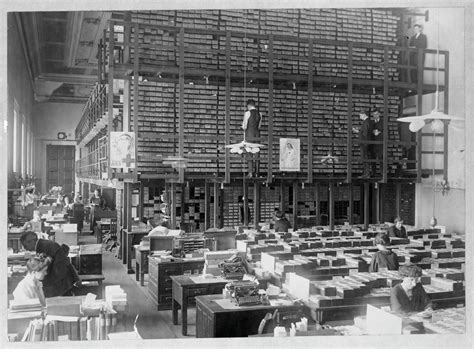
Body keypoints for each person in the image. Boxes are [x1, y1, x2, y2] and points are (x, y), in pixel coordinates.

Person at [20, 231, 81, 298]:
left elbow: (44, 269)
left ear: (31, 241)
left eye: (25, 245)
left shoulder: (43, 247)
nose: (25, 248)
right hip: (62, 278)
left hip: (61, 281)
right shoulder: (44, 244)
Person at [242, 99, 262, 177]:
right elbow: (259, 126)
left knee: (249, 153)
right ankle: (257, 172)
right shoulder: (260, 113)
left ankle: (250, 173)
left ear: (249, 105)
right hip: (257, 135)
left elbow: (244, 126)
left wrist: (242, 127)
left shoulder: (247, 113)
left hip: (249, 135)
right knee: (257, 153)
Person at [353, 110, 372, 178]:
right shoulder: (367, 122)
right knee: (364, 158)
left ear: (364, 114)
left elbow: (365, 133)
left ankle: (366, 174)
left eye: (360, 115)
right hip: (365, 142)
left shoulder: (366, 122)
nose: (359, 116)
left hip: (364, 143)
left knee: (364, 158)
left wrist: (358, 132)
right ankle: (366, 173)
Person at [371, 110, 383, 175]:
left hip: (380, 144)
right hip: (373, 144)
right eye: (374, 114)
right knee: (373, 159)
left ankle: (382, 173)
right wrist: (373, 132)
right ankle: (374, 173)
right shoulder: (372, 123)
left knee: (381, 159)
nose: (375, 116)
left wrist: (379, 133)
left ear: (379, 114)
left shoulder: (383, 122)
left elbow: (386, 132)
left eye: (376, 114)